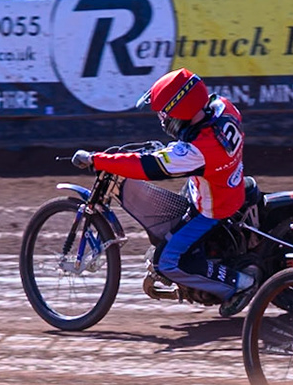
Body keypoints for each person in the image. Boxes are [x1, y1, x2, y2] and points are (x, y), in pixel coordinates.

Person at [73, 68, 253, 312]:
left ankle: (239, 285)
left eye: (165, 114)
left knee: (167, 262)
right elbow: (194, 140)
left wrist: (97, 159)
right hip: (223, 184)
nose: (163, 119)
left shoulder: (197, 152)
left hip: (212, 208)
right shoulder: (223, 107)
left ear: (182, 112)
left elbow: (147, 166)